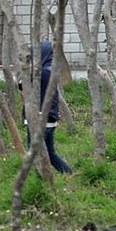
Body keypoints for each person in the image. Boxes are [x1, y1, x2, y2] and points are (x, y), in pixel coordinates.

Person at [23, 41, 72, 174]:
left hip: (40, 119)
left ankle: (44, 181)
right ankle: (68, 174)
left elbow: (23, 86)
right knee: (50, 154)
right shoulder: (50, 70)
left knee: (36, 154)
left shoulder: (43, 73)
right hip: (48, 119)